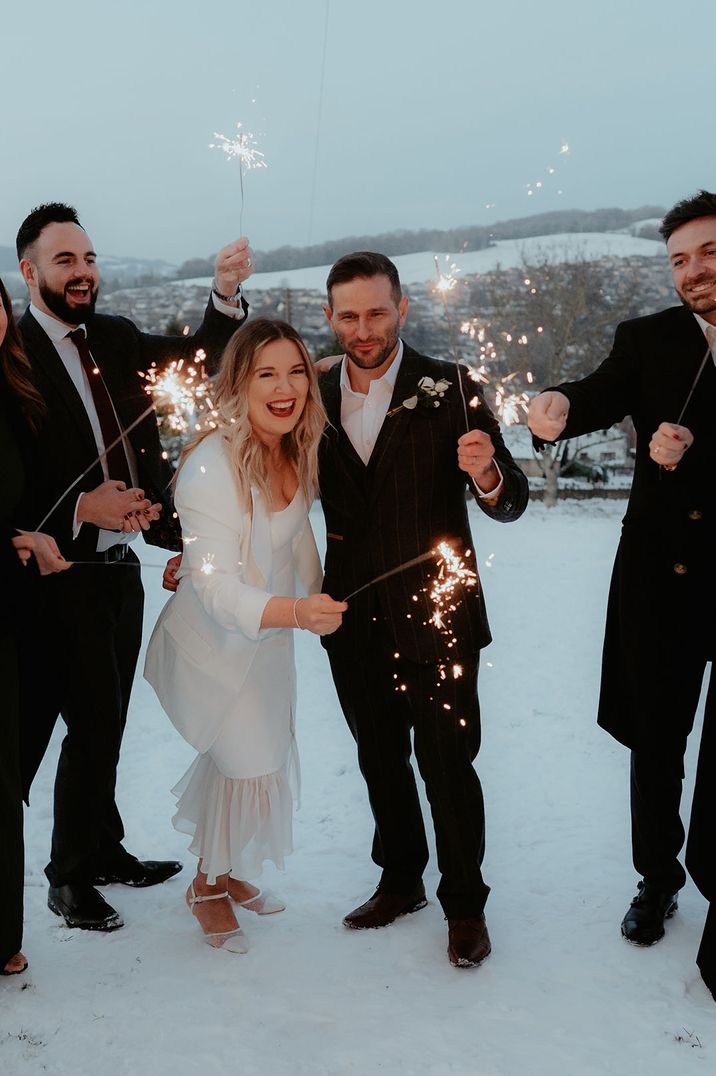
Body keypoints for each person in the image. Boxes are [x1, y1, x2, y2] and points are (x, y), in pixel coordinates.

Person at [14, 202, 254, 933]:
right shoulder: (11, 356)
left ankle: (105, 846)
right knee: (87, 722)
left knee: (110, 719)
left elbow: (197, 360)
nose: (83, 273)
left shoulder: (113, 338)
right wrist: (81, 508)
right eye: (65, 261)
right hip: (59, 574)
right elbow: (13, 484)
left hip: (122, 569)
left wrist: (222, 297)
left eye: (88, 259)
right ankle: (69, 877)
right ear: (28, 272)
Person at [528, 190, 716, 1000]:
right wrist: (558, 408)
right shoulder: (647, 340)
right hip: (661, 578)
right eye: (679, 260)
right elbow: (600, 391)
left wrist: (699, 455)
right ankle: (657, 878)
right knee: (656, 739)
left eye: (707, 253)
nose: (693, 272)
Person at [316, 252, 529, 967]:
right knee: (379, 758)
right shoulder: (309, 391)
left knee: (447, 762)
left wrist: (489, 473)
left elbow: (511, 500)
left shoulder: (453, 386)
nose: (364, 327)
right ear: (330, 318)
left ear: (402, 309)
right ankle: (401, 877)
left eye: (377, 311)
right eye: (349, 315)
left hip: (437, 614)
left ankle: (464, 904)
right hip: (348, 613)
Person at [145, 318, 346, 952]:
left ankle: (226, 871)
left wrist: (324, 593)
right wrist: (295, 610)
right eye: (266, 373)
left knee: (254, 759)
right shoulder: (212, 463)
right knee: (243, 762)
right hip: (222, 647)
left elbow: (295, 535)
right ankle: (204, 884)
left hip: (271, 642)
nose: (285, 388)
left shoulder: (295, 444)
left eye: (296, 372)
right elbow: (212, 585)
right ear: (238, 383)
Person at [0, 277, 71, 977]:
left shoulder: (12, 396)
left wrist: (32, 533)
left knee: (4, 776)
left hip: (12, 616)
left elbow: (32, 495)